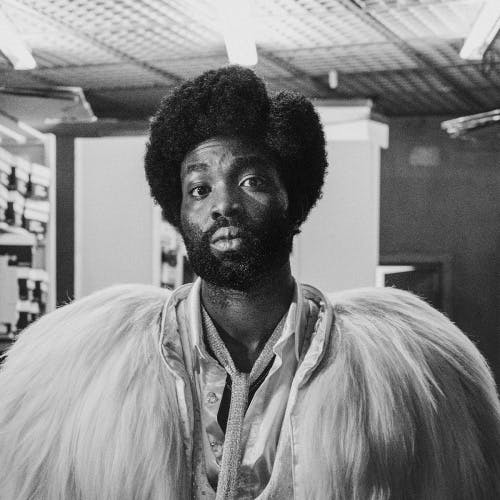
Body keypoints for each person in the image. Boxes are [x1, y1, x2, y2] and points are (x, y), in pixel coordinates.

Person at [1, 66, 500, 500]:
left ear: (293, 199)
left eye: (251, 181)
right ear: (179, 211)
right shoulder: (88, 363)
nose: (222, 205)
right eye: (199, 188)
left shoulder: (398, 368)